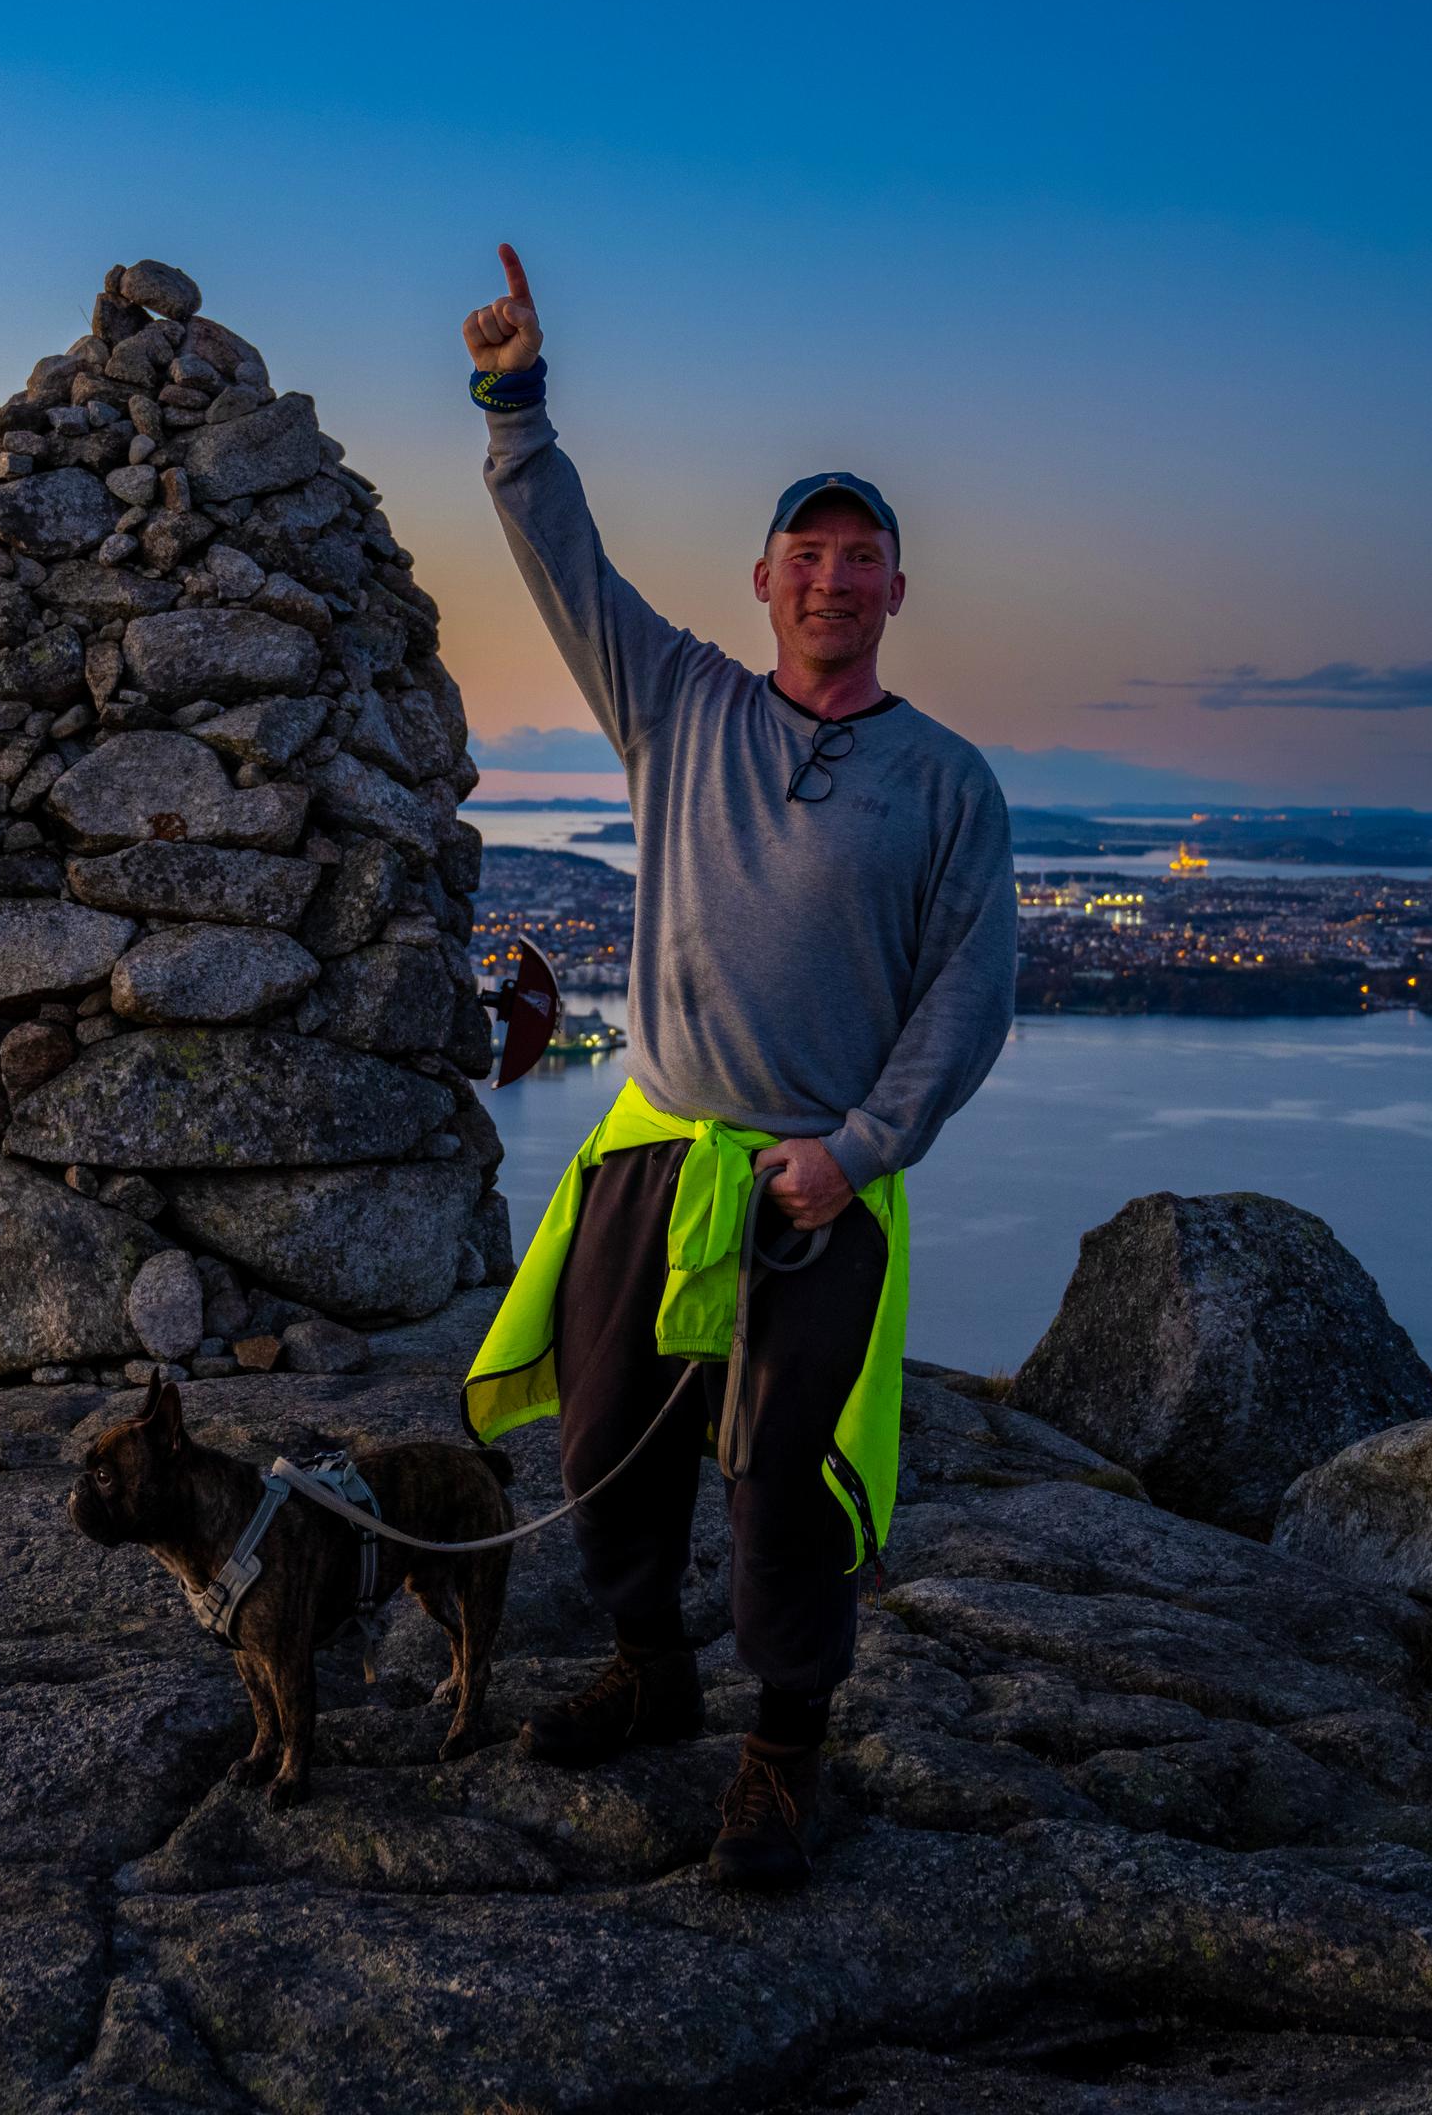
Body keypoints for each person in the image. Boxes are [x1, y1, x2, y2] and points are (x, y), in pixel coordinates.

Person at [455, 243, 1016, 1893]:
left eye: (865, 560)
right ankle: (650, 1667)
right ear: (763, 581)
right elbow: (565, 561)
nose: (835, 580)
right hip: (657, 1148)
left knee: (788, 1480)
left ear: (899, 594)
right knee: (606, 1440)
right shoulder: (679, 705)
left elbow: (970, 998)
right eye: (809, 556)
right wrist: (513, 405)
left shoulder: (948, 785)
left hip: (820, 1185)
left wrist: (860, 1150)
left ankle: (784, 1749)